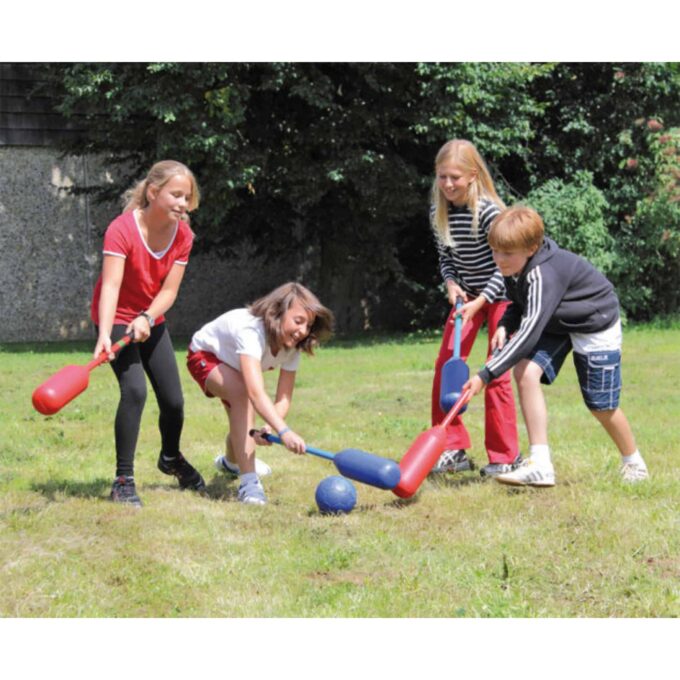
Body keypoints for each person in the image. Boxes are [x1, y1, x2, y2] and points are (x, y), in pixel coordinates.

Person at [463, 205, 649, 486]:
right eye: (495, 251)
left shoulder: (542, 274)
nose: (499, 259)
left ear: (531, 248)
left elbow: (529, 331)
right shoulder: (514, 265)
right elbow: (519, 302)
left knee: (601, 406)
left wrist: (485, 374)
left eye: (507, 253)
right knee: (525, 372)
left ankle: (634, 463)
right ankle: (540, 465)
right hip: (559, 320)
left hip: (594, 322)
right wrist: (503, 324)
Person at [91, 160, 205, 507]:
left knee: (173, 401)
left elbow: (169, 291)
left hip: (150, 317)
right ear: (153, 192)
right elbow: (110, 285)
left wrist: (147, 317)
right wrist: (105, 333)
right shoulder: (122, 229)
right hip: (116, 316)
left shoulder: (183, 235)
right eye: (176, 195)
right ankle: (123, 480)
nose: (183, 204)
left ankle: (170, 458)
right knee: (135, 391)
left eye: (187, 197)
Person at [186, 282, 334, 505]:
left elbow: (283, 398)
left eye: (308, 325)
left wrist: (270, 427)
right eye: (298, 321)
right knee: (243, 397)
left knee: (242, 420)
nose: (303, 331)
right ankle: (249, 483)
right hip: (205, 355)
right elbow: (256, 393)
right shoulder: (252, 331)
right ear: (278, 312)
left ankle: (230, 463)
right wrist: (285, 432)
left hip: (235, 364)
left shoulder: (293, 347)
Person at [429, 139, 520, 477]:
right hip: (466, 296)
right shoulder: (439, 212)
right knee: (446, 366)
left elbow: (504, 266)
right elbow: (446, 258)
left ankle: (505, 456)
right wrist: (451, 284)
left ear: (472, 175)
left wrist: (482, 300)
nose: (448, 184)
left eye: (454, 177)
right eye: (442, 177)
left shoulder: (489, 212)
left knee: (496, 371)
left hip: (502, 295)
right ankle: (451, 448)